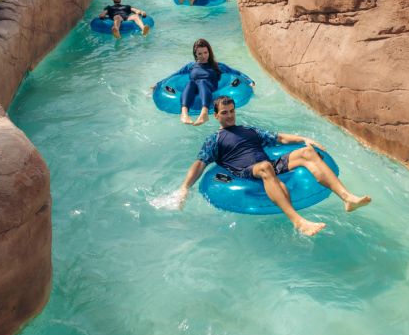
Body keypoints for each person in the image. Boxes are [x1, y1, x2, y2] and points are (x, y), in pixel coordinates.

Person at [178, 95, 371, 236]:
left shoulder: (249, 130)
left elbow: (279, 138)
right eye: (224, 113)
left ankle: (347, 198)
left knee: (307, 153)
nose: (229, 116)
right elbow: (199, 165)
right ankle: (299, 222)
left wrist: (306, 139)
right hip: (246, 172)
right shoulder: (214, 139)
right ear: (216, 116)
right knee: (264, 167)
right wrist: (184, 188)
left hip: (268, 163)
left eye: (232, 111)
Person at [158, 39, 254, 126]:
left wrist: (250, 81)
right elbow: (175, 75)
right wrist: (158, 84)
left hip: (209, 86)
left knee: (202, 82)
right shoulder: (190, 66)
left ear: (209, 52)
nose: (203, 56)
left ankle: (204, 113)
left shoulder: (218, 66)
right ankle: (184, 113)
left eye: (205, 52)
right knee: (191, 83)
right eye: (200, 54)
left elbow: (236, 73)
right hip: (194, 88)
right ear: (195, 54)